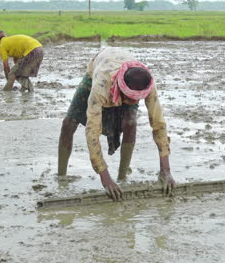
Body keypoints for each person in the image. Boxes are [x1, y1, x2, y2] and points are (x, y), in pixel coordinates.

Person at [58, 47, 175, 201]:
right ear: (122, 88)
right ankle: (61, 178)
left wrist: (165, 170)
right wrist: (105, 177)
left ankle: (122, 178)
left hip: (127, 83)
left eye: (137, 100)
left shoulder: (148, 86)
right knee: (69, 123)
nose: (134, 103)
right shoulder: (101, 84)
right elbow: (92, 131)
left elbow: (158, 124)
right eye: (130, 99)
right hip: (99, 72)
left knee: (131, 123)